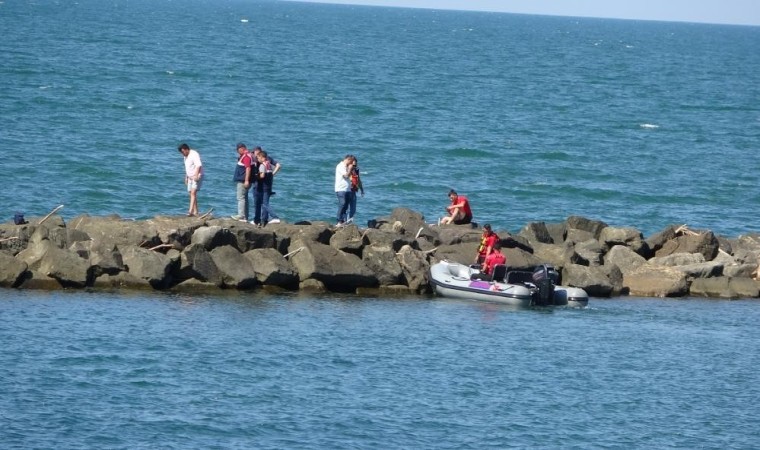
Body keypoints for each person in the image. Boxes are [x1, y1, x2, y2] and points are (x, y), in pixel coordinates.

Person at [252, 149, 282, 226]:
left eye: (258, 158)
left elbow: (262, 176)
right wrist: (273, 174)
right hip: (269, 186)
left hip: (264, 187)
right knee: (265, 203)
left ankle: (275, 217)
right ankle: (264, 220)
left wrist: (256, 176)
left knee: (265, 204)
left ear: (263, 158)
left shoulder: (262, 165)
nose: (257, 159)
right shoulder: (268, 164)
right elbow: (275, 168)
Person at [178, 143, 203, 217]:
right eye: (181, 153)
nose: (182, 154)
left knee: (193, 193)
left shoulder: (194, 154)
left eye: (183, 152)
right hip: (190, 177)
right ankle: (196, 211)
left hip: (196, 176)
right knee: (191, 193)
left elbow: (199, 165)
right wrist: (186, 177)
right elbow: (187, 167)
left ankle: (190, 211)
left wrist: (196, 175)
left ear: (186, 149)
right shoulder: (185, 156)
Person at [231, 143, 253, 222]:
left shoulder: (246, 157)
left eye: (238, 149)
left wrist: (246, 180)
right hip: (245, 180)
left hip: (243, 181)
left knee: (240, 198)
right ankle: (245, 217)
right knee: (245, 198)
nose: (237, 151)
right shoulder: (248, 155)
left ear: (242, 148)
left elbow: (248, 168)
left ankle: (241, 216)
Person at [334, 154, 353, 226]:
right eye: (350, 162)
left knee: (346, 206)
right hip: (341, 188)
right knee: (342, 203)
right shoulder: (340, 166)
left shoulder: (346, 167)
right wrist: (350, 169)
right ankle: (339, 220)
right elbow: (346, 175)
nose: (351, 164)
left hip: (347, 189)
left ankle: (343, 220)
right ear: (347, 159)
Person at [346, 155, 364, 224]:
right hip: (347, 190)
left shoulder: (356, 170)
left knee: (353, 210)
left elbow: (358, 180)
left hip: (353, 191)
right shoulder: (347, 169)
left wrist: (362, 190)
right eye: (353, 165)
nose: (354, 167)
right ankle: (344, 222)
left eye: (355, 165)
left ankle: (348, 222)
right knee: (346, 208)